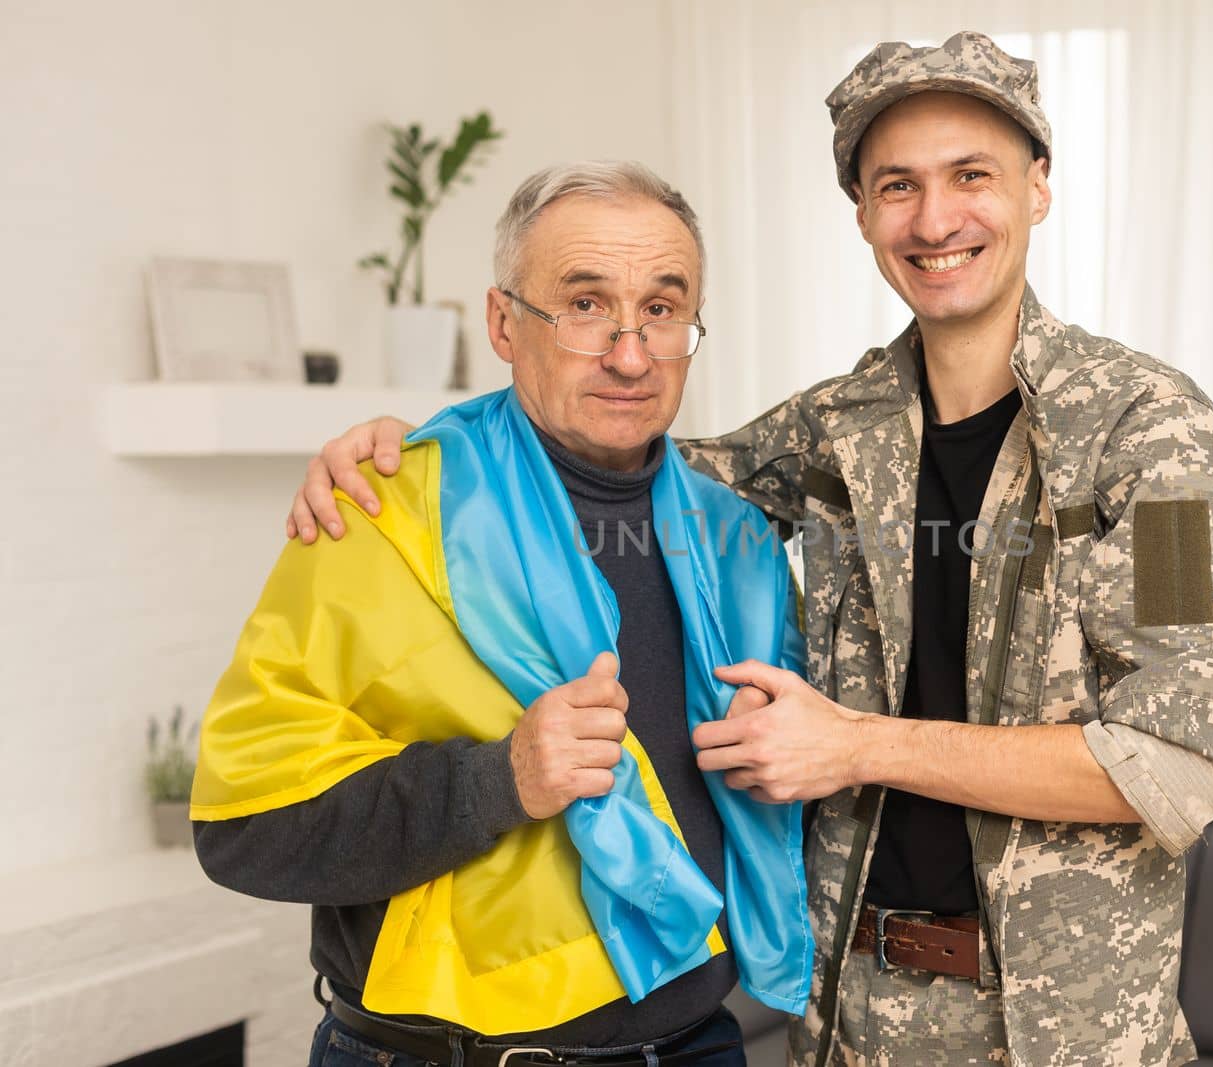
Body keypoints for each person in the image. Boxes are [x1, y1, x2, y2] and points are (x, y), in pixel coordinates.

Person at [288, 33, 1213, 1066]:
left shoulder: (1160, 447)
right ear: (863, 216)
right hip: (849, 1022)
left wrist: (854, 743)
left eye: (969, 176)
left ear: (1037, 188)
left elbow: (1175, 762)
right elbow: (610, 453)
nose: (934, 219)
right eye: (897, 186)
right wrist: (411, 452)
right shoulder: (833, 433)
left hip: (1072, 1034)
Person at [192, 162, 815, 1067]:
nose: (630, 351)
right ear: (502, 324)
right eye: (586, 304)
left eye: (662, 309)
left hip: (699, 1045)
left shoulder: (737, 538)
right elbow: (241, 830)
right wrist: (500, 780)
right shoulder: (381, 513)